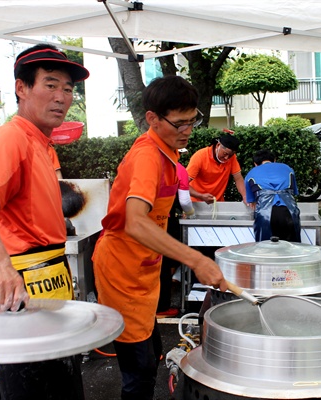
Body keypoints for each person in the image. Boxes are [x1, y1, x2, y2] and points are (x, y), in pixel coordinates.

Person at [0, 43, 90, 398]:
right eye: (50, 85)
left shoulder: (42, 143)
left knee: (63, 387)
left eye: (67, 88)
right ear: (22, 88)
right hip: (22, 291)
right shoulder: (11, 137)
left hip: (51, 284)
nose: (62, 97)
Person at [92, 75, 227, 399]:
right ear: (152, 118)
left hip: (144, 270)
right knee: (138, 372)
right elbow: (136, 222)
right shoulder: (147, 156)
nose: (187, 131)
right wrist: (196, 259)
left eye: (192, 122)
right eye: (179, 124)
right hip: (122, 272)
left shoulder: (168, 153)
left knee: (150, 358)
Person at [157, 161, 196, 318]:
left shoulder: (144, 162)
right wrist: (192, 214)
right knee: (162, 264)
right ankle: (161, 307)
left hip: (141, 220)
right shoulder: (179, 169)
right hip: (162, 221)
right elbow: (185, 201)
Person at [244, 149, 300, 242]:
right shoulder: (287, 169)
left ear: (255, 163)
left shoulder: (251, 173)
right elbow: (294, 192)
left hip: (265, 215)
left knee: (266, 249)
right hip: (289, 212)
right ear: (274, 160)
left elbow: (252, 203)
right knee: (291, 249)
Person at [187, 133, 247, 204]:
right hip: (196, 202)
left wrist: (245, 196)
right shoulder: (200, 156)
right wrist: (201, 196)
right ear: (218, 145)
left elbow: (238, 178)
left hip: (217, 203)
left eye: (230, 155)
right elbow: (183, 184)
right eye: (225, 154)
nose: (226, 158)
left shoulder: (232, 158)